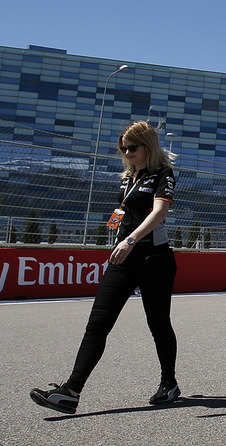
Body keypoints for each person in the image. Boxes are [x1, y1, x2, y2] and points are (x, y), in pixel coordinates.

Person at [30, 120, 180, 414]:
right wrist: (113, 234)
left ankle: (169, 383)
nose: (127, 152)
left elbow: (159, 211)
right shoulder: (129, 177)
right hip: (122, 257)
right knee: (97, 323)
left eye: (132, 147)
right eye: (123, 148)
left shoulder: (163, 173)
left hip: (154, 258)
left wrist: (132, 240)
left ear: (147, 145)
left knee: (158, 324)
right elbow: (122, 210)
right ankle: (71, 391)